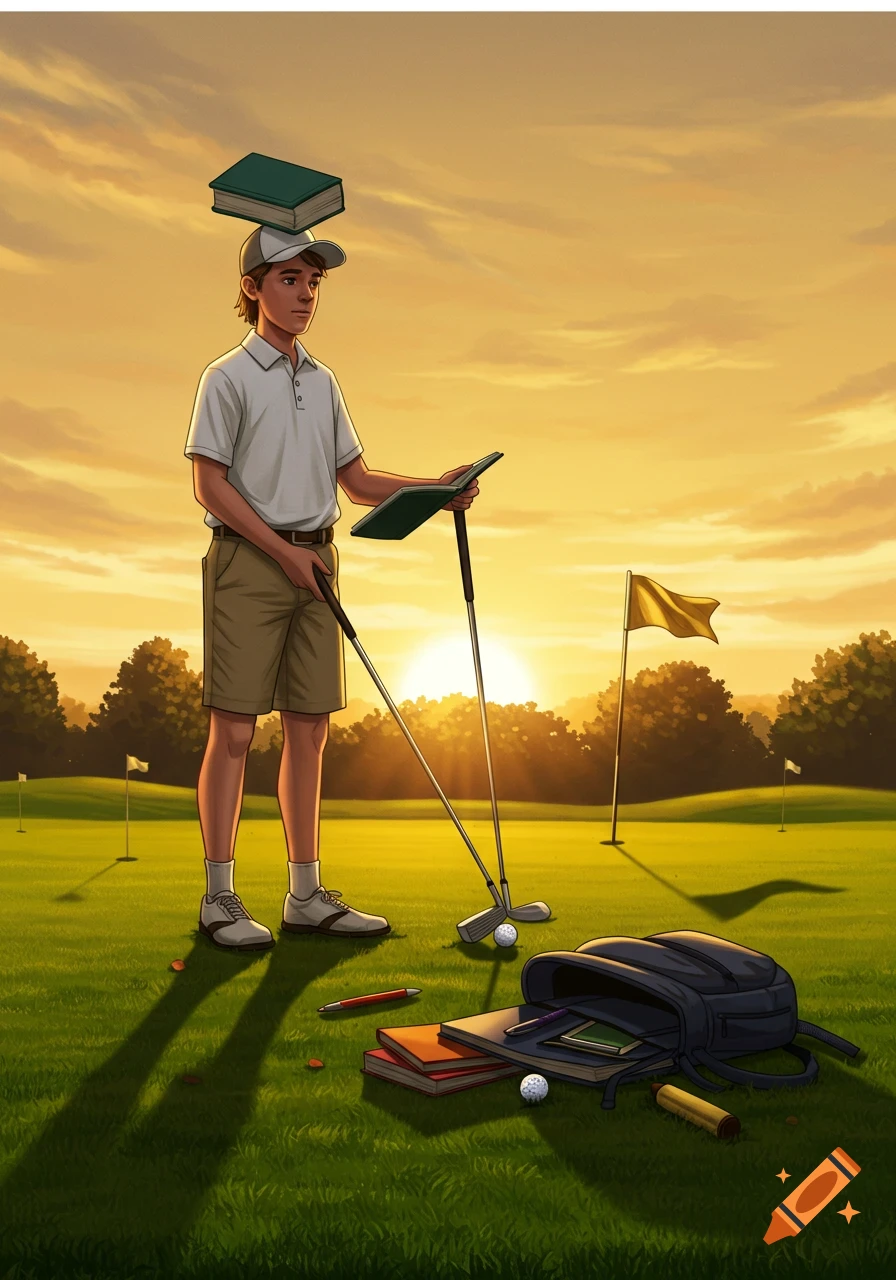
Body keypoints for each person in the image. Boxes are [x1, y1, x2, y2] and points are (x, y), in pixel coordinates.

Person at [185, 223, 479, 951]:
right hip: (249, 564)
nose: (305, 294)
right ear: (253, 288)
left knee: (310, 728)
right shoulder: (225, 378)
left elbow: (355, 482)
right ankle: (219, 897)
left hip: (316, 561)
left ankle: (305, 894)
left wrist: (435, 489)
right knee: (235, 730)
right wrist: (280, 551)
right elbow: (208, 484)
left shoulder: (322, 381)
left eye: (314, 282)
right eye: (290, 279)